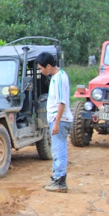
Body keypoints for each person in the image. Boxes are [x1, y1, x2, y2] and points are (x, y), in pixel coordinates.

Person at [36, 52, 73, 193]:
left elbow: (62, 102)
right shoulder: (59, 76)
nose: (41, 71)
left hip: (61, 120)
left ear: (48, 66)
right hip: (59, 119)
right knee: (57, 149)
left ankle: (60, 181)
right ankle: (57, 178)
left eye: (41, 68)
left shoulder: (59, 79)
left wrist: (57, 122)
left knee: (59, 150)